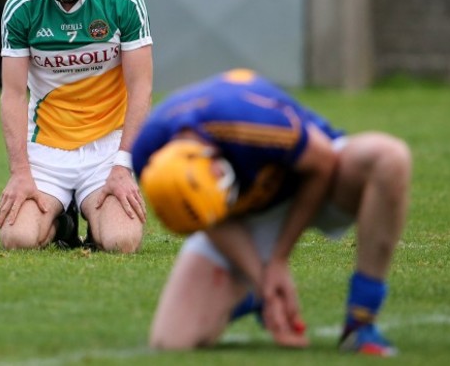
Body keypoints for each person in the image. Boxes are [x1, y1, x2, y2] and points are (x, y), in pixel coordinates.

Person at [132, 68, 411, 356]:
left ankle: (360, 323)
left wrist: (278, 259)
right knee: (171, 341)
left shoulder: (250, 121)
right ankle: (250, 296)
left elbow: (323, 161)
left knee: (389, 159)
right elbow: (212, 220)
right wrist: (262, 280)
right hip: (246, 218)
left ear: (214, 159)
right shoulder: (148, 156)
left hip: (316, 179)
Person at [0, 0, 153, 254]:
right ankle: (63, 221)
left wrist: (123, 166)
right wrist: (20, 171)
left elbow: (141, 89)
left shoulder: (122, 0)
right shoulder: (20, 8)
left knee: (121, 242)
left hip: (107, 148)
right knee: (17, 240)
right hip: (46, 148)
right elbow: (12, 94)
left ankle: (93, 216)